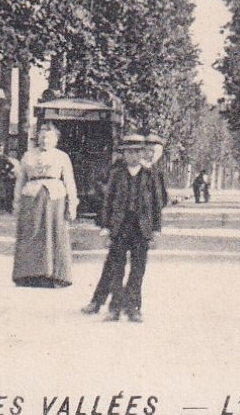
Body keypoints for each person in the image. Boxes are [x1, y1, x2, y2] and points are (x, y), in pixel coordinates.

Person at [84, 130, 169, 322]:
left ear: (143, 153)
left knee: (138, 269)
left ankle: (133, 307)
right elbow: (107, 201)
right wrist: (106, 226)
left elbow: (158, 203)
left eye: (138, 152)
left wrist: (155, 229)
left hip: (141, 228)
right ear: (123, 154)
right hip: (120, 227)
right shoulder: (117, 174)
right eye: (129, 152)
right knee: (116, 268)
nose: (133, 156)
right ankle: (114, 307)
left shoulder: (151, 175)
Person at [12, 122, 78, 288]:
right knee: (31, 233)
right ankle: (28, 275)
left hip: (54, 197)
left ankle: (55, 275)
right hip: (31, 196)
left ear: (56, 139)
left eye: (48, 137)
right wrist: (17, 201)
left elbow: (69, 181)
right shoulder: (28, 155)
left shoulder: (62, 156)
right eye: (41, 136)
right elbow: (21, 180)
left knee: (53, 233)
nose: (45, 140)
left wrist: (72, 204)